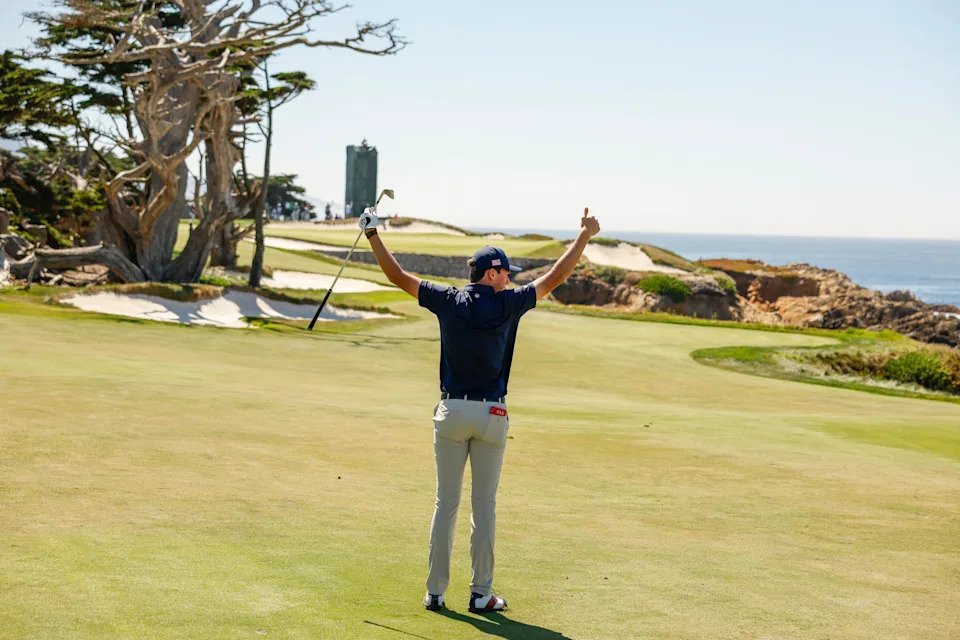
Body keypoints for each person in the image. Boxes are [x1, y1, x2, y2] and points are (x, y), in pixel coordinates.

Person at [359, 207, 601, 613]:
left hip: (452, 412)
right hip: (492, 416)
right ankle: (481, 594)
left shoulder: (449, 300)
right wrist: (584, 236)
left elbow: (397, 276)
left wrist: (372, 234)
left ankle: (435, 593)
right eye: (506, 273)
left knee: (446, 504)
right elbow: (555, 278)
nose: (511, 278)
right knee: (483, 506)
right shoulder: (509, 303)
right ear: (492, 274)